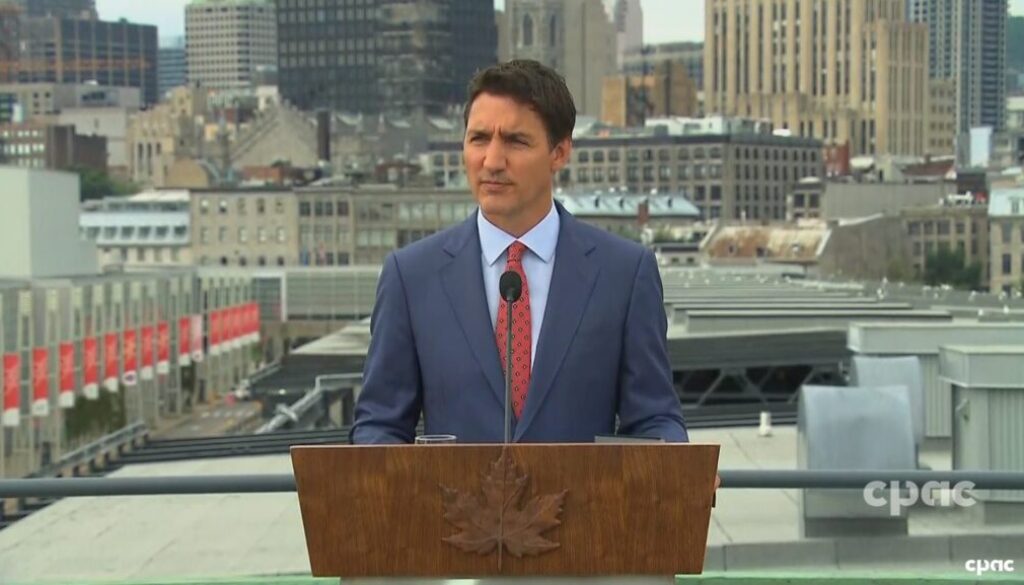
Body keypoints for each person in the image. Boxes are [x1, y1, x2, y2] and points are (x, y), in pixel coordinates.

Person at [350, 59, 688, 444]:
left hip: (580, 504)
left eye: (515, 141)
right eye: (478, 139)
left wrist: (679, 469)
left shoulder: (625, 274)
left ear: (559, 153)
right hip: (451, 505)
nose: (492, 161)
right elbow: (379, 426)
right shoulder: (410, 277)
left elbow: (654, 418)